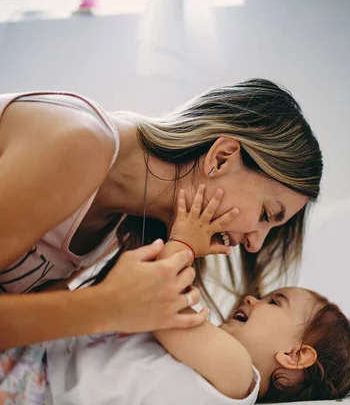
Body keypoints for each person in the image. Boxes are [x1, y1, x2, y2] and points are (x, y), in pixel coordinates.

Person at [0, 188, 350, 405]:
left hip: (36, 387)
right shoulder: (213, 356)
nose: (252, 298)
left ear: (295, 355)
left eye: (274, 302)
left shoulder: (240, 377)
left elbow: (163, 309)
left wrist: (185, 242)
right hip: (37, 353)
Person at [0, 78, 322, 351]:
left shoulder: (122, 224)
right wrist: (106, 306)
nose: (255, 244)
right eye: (267, 214)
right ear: (222, 158)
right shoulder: (82, 143)